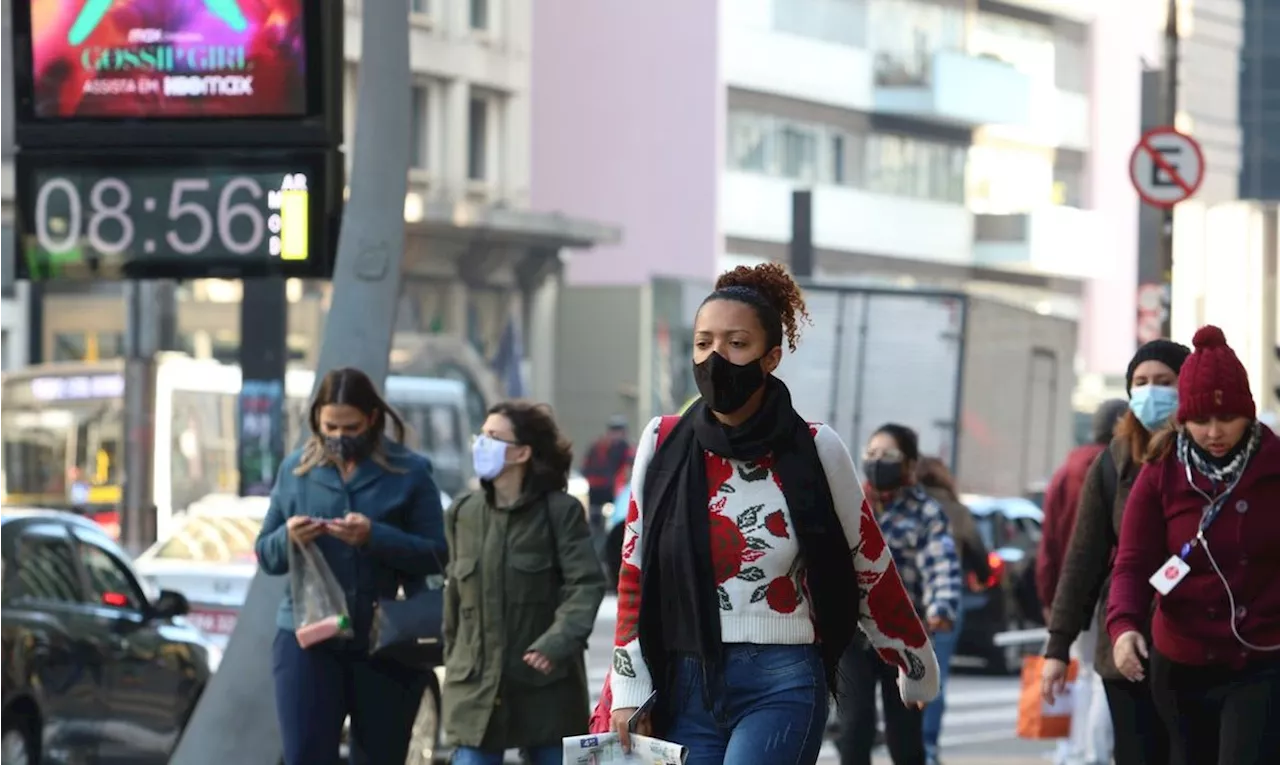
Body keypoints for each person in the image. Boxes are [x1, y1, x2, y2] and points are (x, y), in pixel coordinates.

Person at [608, 263, 940, 765]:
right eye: (703, 344)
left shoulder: (816, 447)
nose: (716, 358)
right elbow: (634, 571)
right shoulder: (662, 441)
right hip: (684, 679)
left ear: (771, 358)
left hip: (782, 681)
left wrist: (912, 660)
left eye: (736, 344)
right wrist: (628, 687)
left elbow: (867, 560)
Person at [254, 367, 447, 765]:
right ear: (317, 422)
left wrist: (375, 536)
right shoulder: (297, 471)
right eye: (330, 427)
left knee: (380, 756)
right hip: (309, 638)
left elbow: (435, 553)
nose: (340, 437)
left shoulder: (410, 472)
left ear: (372, 419)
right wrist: (287, 536)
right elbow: (266, 555)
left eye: (350, 426)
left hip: (386, 640)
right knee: (305, 754)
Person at [1108, 326, 1280, 765]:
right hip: (1181, 659)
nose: (1215, 431)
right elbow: (1132, 561)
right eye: (1201, 420)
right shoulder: (1162, 472)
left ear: (1249, 412)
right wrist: (1124, 626)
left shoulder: (1274, 466)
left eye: (1226, 418)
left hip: (1259, 660)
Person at [1042, 339, 1186, 765]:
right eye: (1141, 383)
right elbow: (1082, 560)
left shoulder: (1204, 457)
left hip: (1194, 643)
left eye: (1164, 382)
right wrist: (1057, 647)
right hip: (1124, 643)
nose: (1151, 392)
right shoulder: (1112, 464)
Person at [442, 400, 607, 765]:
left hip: (544, 686)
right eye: (481, 435)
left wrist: (557, 642)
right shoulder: (462, 514)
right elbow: (453, 599)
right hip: (475, 687)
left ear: (521, 452)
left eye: (494, 436)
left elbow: (586, 585)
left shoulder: (559, 512)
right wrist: (454, 660)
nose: (482, 444)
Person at [839, 425, 962, 765]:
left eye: (889, 456)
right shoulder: (848, 503)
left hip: (905, 637)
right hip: (854, 635)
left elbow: (940, 564)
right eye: (872, 454)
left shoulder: (926, 513)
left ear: (908, 465)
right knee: (853, 729)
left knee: (905, 736)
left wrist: (941, 607)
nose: (878, 462)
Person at [1037, 398, 1128, 765]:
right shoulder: (1120, 466)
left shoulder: (1066, 471)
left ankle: (1076, 751)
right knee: (1104, 673)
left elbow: (1049, 542)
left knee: (1082, 673)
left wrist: (1049, 598)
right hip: (1113, 588)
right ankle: (1096, 751)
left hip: (1070, 590)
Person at [915, 456, 988, 765]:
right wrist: (981, 577)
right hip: (945, 602)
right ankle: (928, 746)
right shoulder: (957, 511)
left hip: (906, 600)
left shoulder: (906, 506)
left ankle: (903, 738)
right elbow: (978, 555)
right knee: (936, 675)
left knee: (901, 673)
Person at [582, 415, 635, 552]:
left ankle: (603, 550)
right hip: (599, 489)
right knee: (596, 524)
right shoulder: (599, 446)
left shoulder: (623, 448)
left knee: (607, 524)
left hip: (613, 491)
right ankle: (598, 551)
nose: (617, 434)